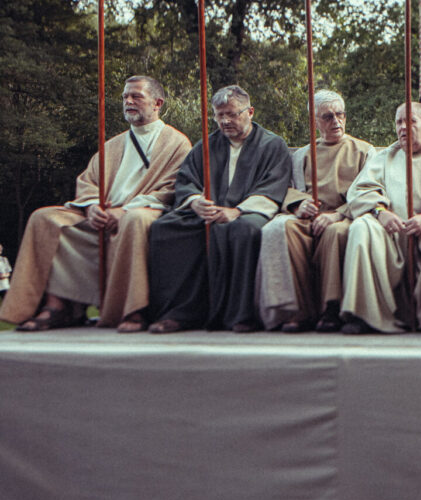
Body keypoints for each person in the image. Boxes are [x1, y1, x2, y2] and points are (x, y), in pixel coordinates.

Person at [2, 76, 190, 332]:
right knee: (44, 218)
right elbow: (88, 181)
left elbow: (172, 187)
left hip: (146, 211)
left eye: (136, 96)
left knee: (134, 220)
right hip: (103, 212)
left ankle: (133, 310)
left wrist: (125, 210)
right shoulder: (113, 145)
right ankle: (59, 307)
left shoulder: (176, 143)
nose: (128, 101)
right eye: (125, 97)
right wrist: (92, 207)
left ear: (157, 103)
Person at [147, 85, 292, 333]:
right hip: (208, 212)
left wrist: (237, 211)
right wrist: (195, 201)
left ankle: (240, 315)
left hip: (250, 212)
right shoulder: (207, 144)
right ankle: (179, 313)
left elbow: (274, 185)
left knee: (243, 231)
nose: (225, 121)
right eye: (219, 115)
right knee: (165, 229)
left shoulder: (272, 145)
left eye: (232, 114)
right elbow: (187, 180)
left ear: (250, 112)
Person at [339, 101, 421, 336]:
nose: (403, 127)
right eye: (399, 122)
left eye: (410, 121)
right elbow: (360, 191)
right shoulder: (384, 157)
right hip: (392, 234)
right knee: (361, 226)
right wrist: (380, 212)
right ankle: (365, 314)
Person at [256, 91, 374, 333]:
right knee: (280, 228)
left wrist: (338, 214)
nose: (336, 121)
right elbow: (286, 187)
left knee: (335, 232)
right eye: (328, 117)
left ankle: (331, 308)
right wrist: (299, 204)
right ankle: (296, 309)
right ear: (315, 121)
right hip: (309, 217)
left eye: (340, 115)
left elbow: (369, 191)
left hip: (345, 215)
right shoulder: (302, 154)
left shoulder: (364, 151)